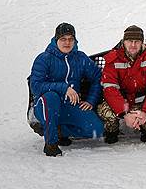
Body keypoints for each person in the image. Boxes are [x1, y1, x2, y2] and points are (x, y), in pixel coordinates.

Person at [29, 22, 104, 156]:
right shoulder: (44, 58)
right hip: (46, 105)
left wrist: (91, 100)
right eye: (63, 39)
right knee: (51, 97)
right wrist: (64, 88)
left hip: (70, 105)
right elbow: (36, 86)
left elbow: (97, 78)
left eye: (71, 39)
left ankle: (59, 130)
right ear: (56, 40)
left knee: (96, 130)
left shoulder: (80, 58)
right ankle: (51, 143)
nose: (67, 42)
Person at [97, 25, 146, 144]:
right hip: (121, 101)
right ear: (124, 42)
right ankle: (112, 130)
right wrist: (125, 114)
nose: (133, 45)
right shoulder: (113, 58)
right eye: (130, 41)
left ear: (142, 42)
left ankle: (145, 129)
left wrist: (145, 111)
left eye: (137, 41)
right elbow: (110, 89)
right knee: (104, 111)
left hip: (142, 101)